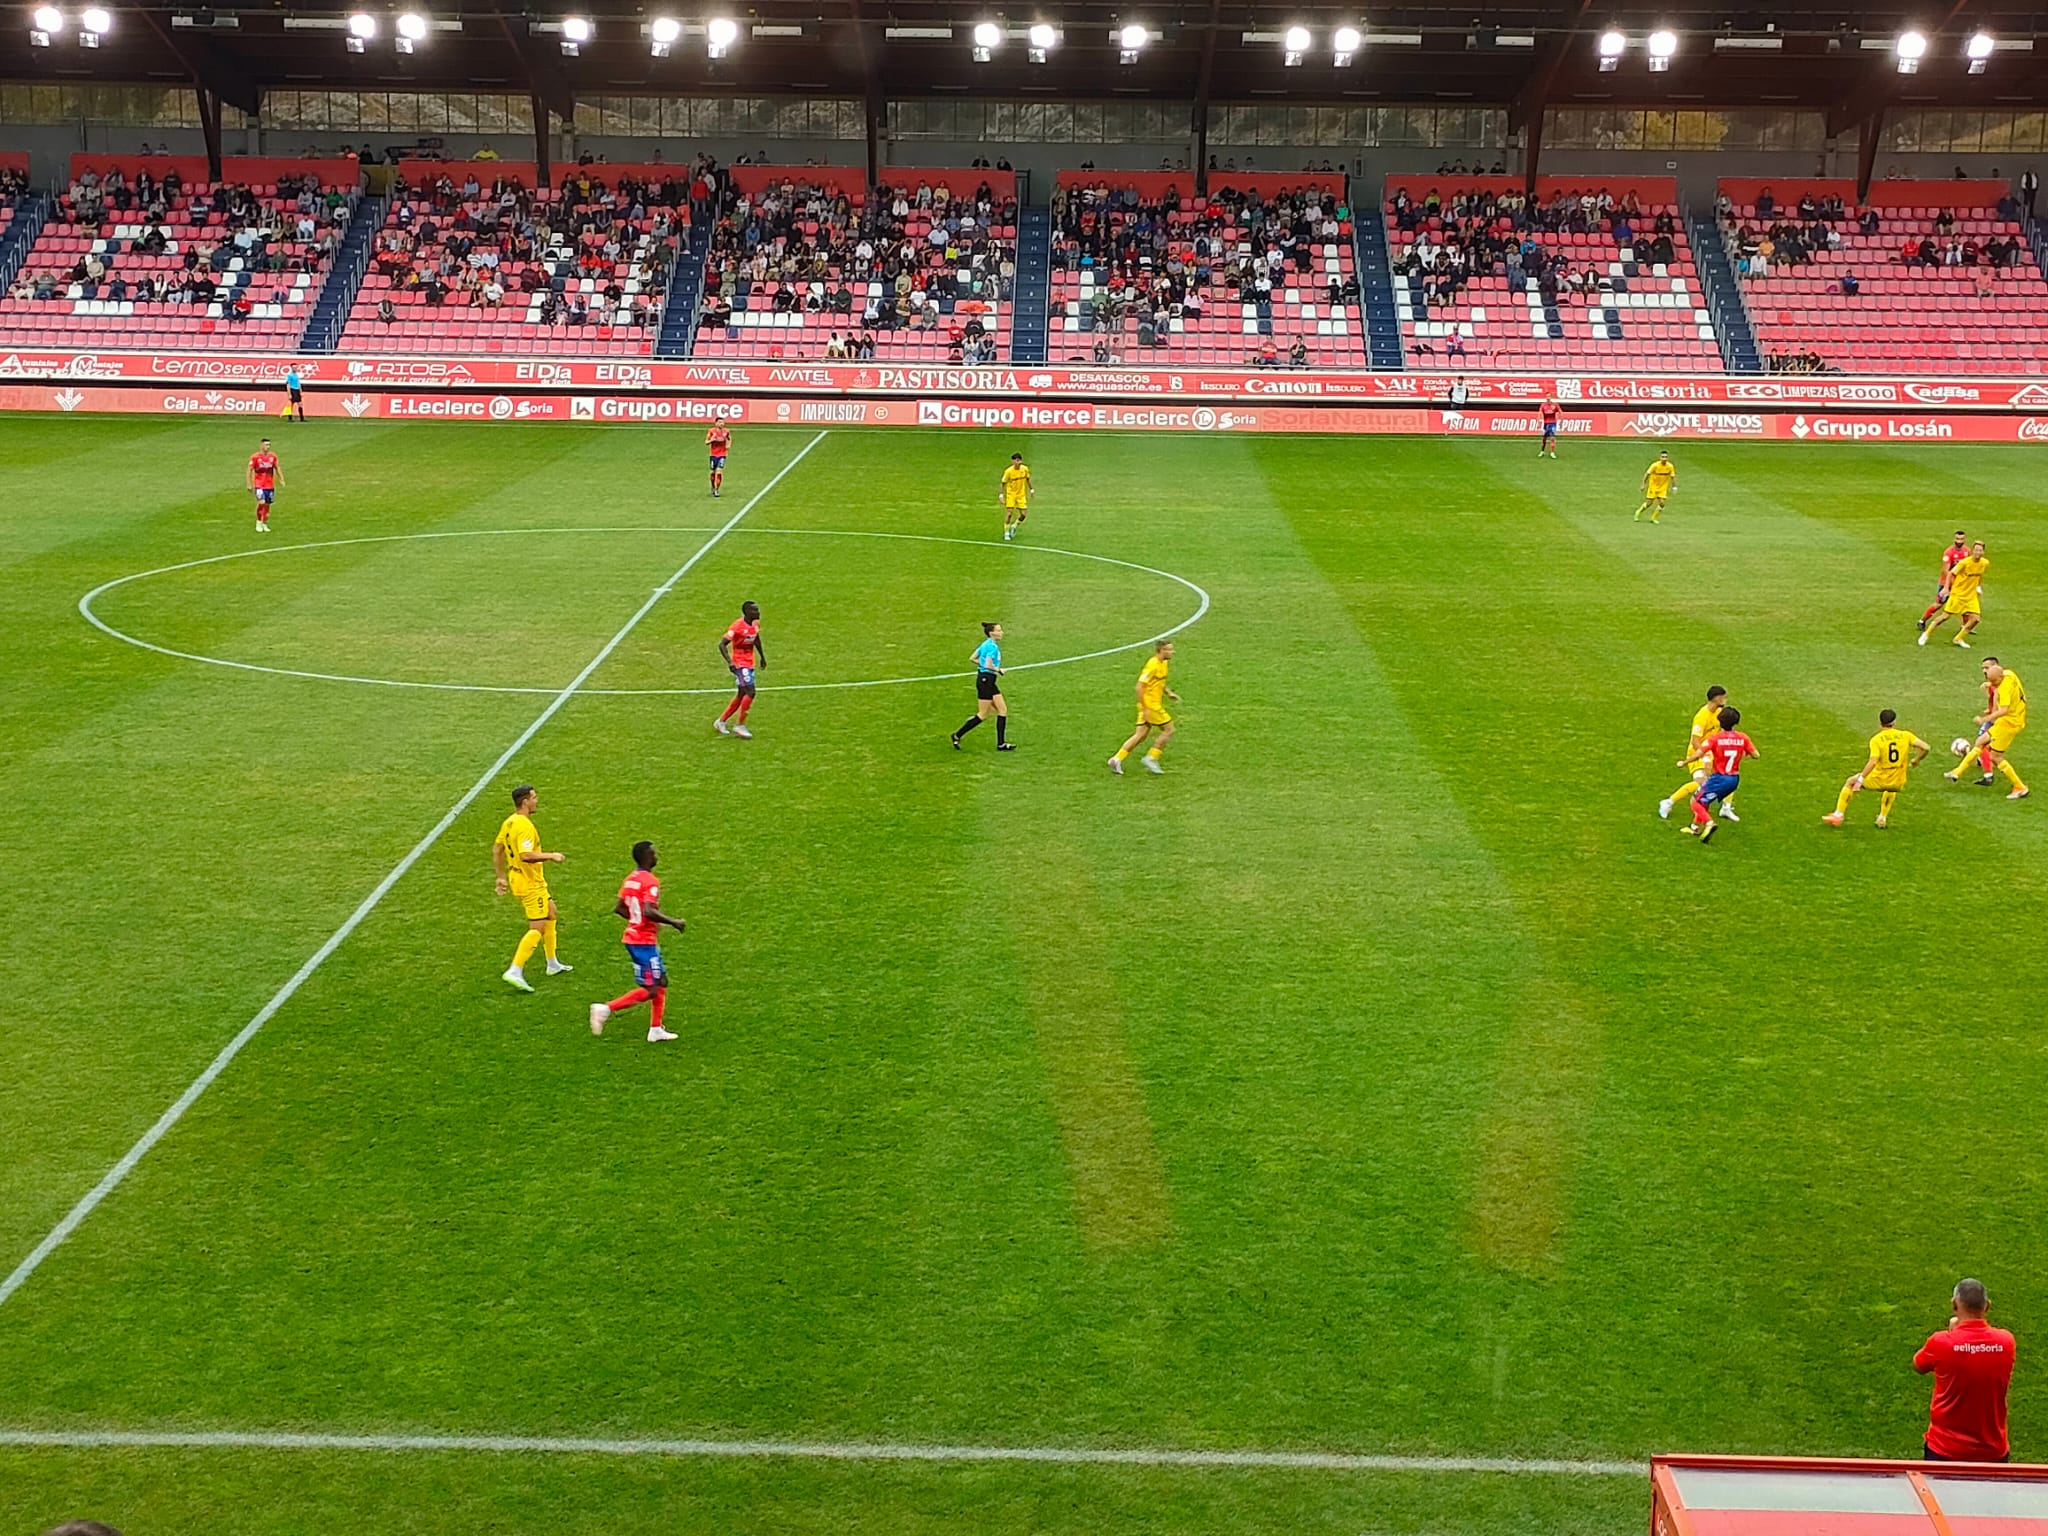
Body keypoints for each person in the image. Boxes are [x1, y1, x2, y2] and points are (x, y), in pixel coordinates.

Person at [588, 841, 685, 1044]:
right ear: (646, 857)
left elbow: (619, 907)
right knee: (651, 989)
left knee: (662, 981)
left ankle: (656, 1029)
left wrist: (636, 920)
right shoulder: (650, 881)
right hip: (643, 943)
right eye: (654, 853)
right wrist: (673, 922)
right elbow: (649, 910)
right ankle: (605, 1009)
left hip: (636, 938)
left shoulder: (631, 879)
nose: (656, 856)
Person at [1914, 1278, 2015, 1463]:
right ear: (1987, 1307)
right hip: (1992, 1452)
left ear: (1954, 1305)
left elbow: (1918, 1365)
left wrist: (1952, 1333)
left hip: (1944, 1450)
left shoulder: (1941, 1342)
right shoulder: (2006, 1342)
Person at [491, 784, 569, 994]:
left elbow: (497, 848)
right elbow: (526, 855)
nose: (537, 800)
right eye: (534, 797)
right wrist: (551, 855)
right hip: (529, 882)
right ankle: (515, 970)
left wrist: (501, 877)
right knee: (537, 927)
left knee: (551, 912)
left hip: (521, 878)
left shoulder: (510, 822)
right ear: (525, 801)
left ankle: (552, 963)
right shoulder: (524, 826)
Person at [1823, 709, 1929, 828]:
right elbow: (1926, 747)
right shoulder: (1906, 735)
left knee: (1850, 782)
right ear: (1894, 722)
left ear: (1880, 723)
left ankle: (1838, 815)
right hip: (1897, 782)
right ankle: (1882, 818)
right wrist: (1916, 760)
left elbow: (1873, 761)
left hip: (1878, 780)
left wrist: (1861, 779)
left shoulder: (1877, 739)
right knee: (1890, 789)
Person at [1946, 656, 2028, 800]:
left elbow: (2003, 710)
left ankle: (2019, 787)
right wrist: (1991, 687)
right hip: (2012, 718)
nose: (1991, 683)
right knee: (1980, 742)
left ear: (1999, 677)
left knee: (1996, 757)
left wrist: (1984, 719)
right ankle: (1957, 772)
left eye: (1993, 681)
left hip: (2009, 723)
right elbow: (1998, 690)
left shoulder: (2004, 690)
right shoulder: (2009, 674)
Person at [1659, 686, 1739, 823]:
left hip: (1712, 753)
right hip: (1698, 754)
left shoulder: (1719, 712)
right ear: (1716, 698)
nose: (1725, 699)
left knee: (1728, 776)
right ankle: (1668, 802)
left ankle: (1726, 807)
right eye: (1724, 697)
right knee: (1700, 784)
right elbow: (1695, 741)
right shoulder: (1701, 717)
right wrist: (1706, 757)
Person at [1685, 706, 1756, 844]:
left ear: (1720, 721)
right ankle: (1695, 828)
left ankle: (1709, 823)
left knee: (1695, 802)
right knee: (1704, 799)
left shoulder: (1715, 738)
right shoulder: (1743, 737)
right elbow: (1756, 755)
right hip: (1734, 780)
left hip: (1719, 778)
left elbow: (1699, 753)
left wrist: (1684, 762)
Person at [1108, 641, 1179, 775]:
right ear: (1161, 651)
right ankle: (1151, 757)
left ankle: (1116, 759)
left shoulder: (1163, 663)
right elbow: (1139, 686)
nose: (1172, 652)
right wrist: (1145, 708)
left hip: (1150, 705)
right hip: (1151, 705)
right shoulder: (1152, 665)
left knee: (1140, 735)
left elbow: (1159, 681)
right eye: (1169, 650)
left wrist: (1168, 692)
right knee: (1169, 729)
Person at [952, 621, 1013, 751]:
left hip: (988, 681)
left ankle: (1001, 744)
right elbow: (988, 665)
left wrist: (987, 666)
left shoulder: (985, 644)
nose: (1001, 632)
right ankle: (957, 735)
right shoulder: (992, 647)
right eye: (999, 630)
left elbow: (973, 658)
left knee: (1002, 710)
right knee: (983, 714)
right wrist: (998, 670)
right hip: (986, 681)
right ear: (992, 633)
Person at [1920, 540, 1988, 648]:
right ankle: (1926, 634)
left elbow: (1979, 575)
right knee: (1945, 617)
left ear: (1983, 552)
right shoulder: (1964, 563)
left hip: (1971, 596)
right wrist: (1946, 588)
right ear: (1972, 551)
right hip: (1958, 594)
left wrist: (1978, 586)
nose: (1977, 552)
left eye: (1980, 550)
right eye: (1975, 550)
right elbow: (1951, 573)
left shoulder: (1984, 563)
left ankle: (1958, 638)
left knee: (1975, 619)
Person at [714, 601, 763, 738]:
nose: (758, 613)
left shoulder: (755, 624)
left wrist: (762, 657)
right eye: (755, 610)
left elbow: (756, 639)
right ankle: (740, 725)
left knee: (742, 693)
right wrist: (730, 662)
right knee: (751, 691)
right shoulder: (737, 627)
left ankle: (721, 721)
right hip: (739, 664)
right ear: (747, 612)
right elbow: (722, 644)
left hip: (749, 663)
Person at [1919, 530, 1972, 634]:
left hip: (1960, 584)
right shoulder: (1949, 553)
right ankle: (1922, 621)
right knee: (1939, 604)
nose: (1959, 541)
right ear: (1954, 539)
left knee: (1965, 604)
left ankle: (1965, 627)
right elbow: (1945, 571)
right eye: (1957, 539)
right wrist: (1947, 586)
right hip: (1946, 583)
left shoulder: (1967, 551)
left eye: (1961, 539)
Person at [246, 436, 280, 533]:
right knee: (261, 502)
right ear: (261, 445)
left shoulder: (272, 457)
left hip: (269, 485)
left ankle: (264, 523)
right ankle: (258, 522)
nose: (268, 447)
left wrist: (281, 479)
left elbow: (277, 467)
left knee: (267, 504)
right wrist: (249, 483)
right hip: (259, 484)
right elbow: (249, 470)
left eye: (269, 445)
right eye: (266, 445)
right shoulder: (255, 457)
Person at [1633, 450, 1677, 524]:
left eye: (1666, 457)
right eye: (1663, 457)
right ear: (1660, 458)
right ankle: (1638, 512)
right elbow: (1647, 474)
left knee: (1662, 503)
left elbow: (1673, 477)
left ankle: (1653, 518)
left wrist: (1674, 487)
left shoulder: (1670, 466)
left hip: (1663, 488)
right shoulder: (1655, 465)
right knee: (1649, 503)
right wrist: (1643, 484)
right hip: (1653, 487)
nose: (1664, 459)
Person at [999, 451, 1032, 542]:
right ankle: (1006, 533)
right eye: (1017, 460)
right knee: (1009, 513)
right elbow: (1003, 483)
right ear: (1013, 461)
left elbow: (1028, 479)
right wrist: (1001, 495)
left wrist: (1031, 489)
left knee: (1023, 514)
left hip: (1021, 495)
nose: (1019, 462)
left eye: (1020, 460)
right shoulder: (1008, 471)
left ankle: (1014, 526)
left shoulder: (1024, 469)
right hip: (1011, 494)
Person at [705, 422, 731, 497]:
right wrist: (711, 440)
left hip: (722, 455)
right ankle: (713, 486)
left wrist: (728, 445)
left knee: (719, 472)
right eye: (719, 422)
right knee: (712, 473)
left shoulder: (726, 431)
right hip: (713, 455)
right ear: (716, 423)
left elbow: (729, 439)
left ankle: (717, 490)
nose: (721, 424)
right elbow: (706, 442)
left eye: (722, 422)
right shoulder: (711, 431)